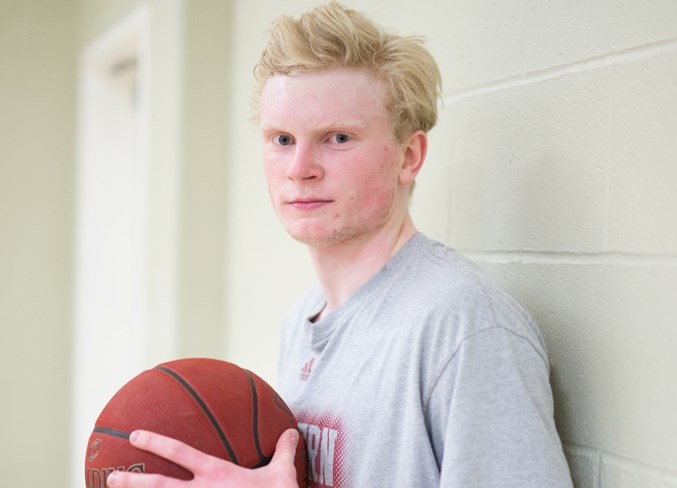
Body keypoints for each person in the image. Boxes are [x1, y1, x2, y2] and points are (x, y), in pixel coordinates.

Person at [108, 2, 573, 487]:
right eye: (282, 139)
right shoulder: (303, 318)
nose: (300, 167)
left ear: (408, 156)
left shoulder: (462, 325)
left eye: (337, 138)